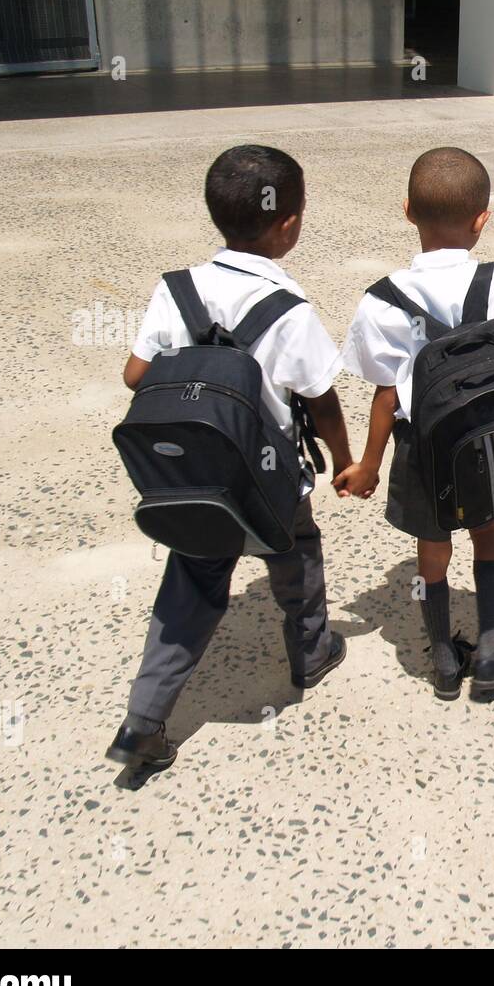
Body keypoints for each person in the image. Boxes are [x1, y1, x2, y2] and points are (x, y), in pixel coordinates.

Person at [107, 145, 354, 770]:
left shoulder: (176, 289)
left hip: (193, 476)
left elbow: (136, 373)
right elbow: (321, 402)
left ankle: (144, 721)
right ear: (290, 224)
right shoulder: (289, 311)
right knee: (295, 552)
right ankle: (311, 651)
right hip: (268, 480)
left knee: (191, 579)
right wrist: (347, 460)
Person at [340, 147, 494, 701]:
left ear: (407, 211)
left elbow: (385, 395)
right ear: (483, 219)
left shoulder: (381, 300)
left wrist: (368, 465)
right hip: (492, 436)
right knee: (486, 531)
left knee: (434, 544)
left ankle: (445, 659)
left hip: (422, 444)